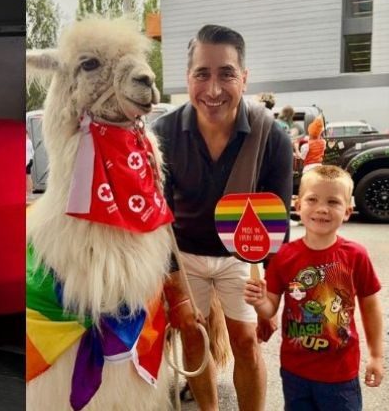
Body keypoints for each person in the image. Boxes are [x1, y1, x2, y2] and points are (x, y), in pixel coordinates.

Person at [153, 24, 294, 411]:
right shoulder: (162, 133)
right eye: (202, 74)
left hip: (241, 258)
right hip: (183, 258)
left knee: (246, 342)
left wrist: (272, 296)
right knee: (194, 341)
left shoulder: (273, 137)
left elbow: (275, 223)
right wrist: (173, 278)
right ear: (188, 78)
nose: (213, 89)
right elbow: (159, 217)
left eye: (226, 74)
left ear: (244, 78)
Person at [245, 164, 384, 410]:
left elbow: (370, 306)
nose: (322, 208)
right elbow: (270, 309)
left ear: (348, 211)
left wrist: (375, 355)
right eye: (313, 199)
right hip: (295, 371)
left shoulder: (355, 256)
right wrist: (259, 302)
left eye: (333, 202)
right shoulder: (283, 256)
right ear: (298, 206)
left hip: (340, 375)